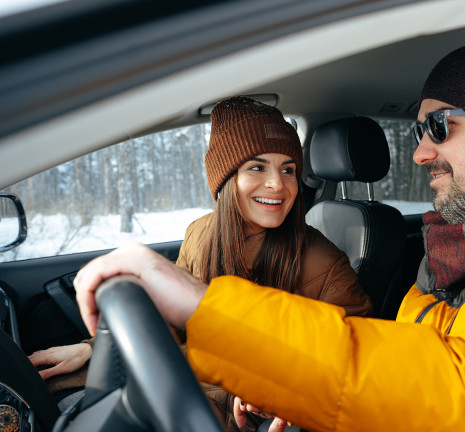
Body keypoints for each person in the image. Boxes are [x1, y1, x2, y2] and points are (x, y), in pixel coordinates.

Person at [74, 40, 465, 431]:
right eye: (419, 132)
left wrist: (205, 309)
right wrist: (294, 393)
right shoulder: (460, 245)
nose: (421, 155)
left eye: (439, 128)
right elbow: (408, 368)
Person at [31, 97, 374, 432]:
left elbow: (356, 364)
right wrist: (91, 349)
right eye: (257, 167)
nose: (277, 183)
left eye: (288, 170)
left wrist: (276, 389)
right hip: (181, 386)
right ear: (225, 179)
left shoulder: (323, 259)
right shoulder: (200, 233)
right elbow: (169, 322)